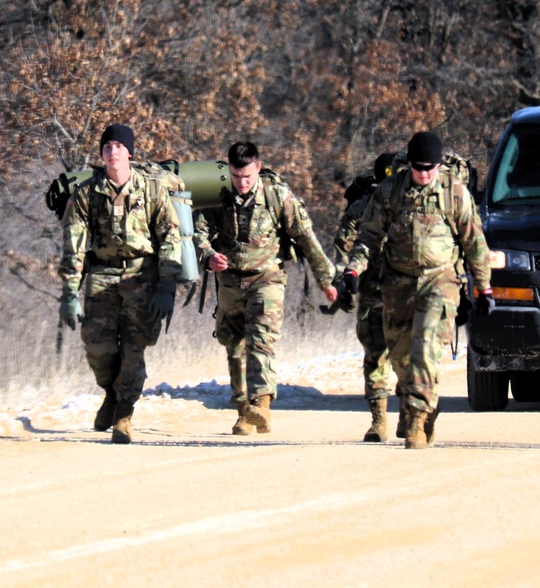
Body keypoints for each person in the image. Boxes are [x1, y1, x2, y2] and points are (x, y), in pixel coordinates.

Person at [341, 131, 492, 449]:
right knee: (400, 359)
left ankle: (416, 419)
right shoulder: (390, 191)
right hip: (396, 285)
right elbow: (368, 236)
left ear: (439, 165)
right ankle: (427, 406)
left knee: (425, 348)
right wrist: (354, 269)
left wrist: (484, 288)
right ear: (408, 164)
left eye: (430, 168)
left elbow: (474, 243)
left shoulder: (454, 193)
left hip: (440, 283)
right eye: (419, 167)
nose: (424, 174)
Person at [193, 141, 337, 436]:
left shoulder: (277, 196)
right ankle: (244, 411)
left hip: (267, 278)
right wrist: (208, 256)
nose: (242, 183)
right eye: (236, 176)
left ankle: (262, 402)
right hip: (230, 281)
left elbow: (306, 239)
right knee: (234, 346)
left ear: (258, 167)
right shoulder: (218, 195)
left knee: (261, 338)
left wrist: (326, 280)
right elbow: (197, 233)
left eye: (247, 176)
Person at [58, 123, 181, 445]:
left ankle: (124, 413)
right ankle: (110, 394)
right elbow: (74, 242)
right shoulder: (87, 193)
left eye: (118, 146)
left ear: (129, 152)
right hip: (103, 274)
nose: (112, 151)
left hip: (143, 275)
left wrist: (168, 286)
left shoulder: (152, 190)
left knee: (133, 347)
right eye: (107, 146)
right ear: (101, 153)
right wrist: (69, 292)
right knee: (97, 345)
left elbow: (170, 238)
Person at [331, 152, 398, 442]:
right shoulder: (360, 208)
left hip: (408, 292)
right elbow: (343, 250)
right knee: (375, 355)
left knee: (410, 357)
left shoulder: (415, 206)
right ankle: (379, 419)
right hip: (372, 292)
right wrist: (342, 283)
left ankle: (411, 411)